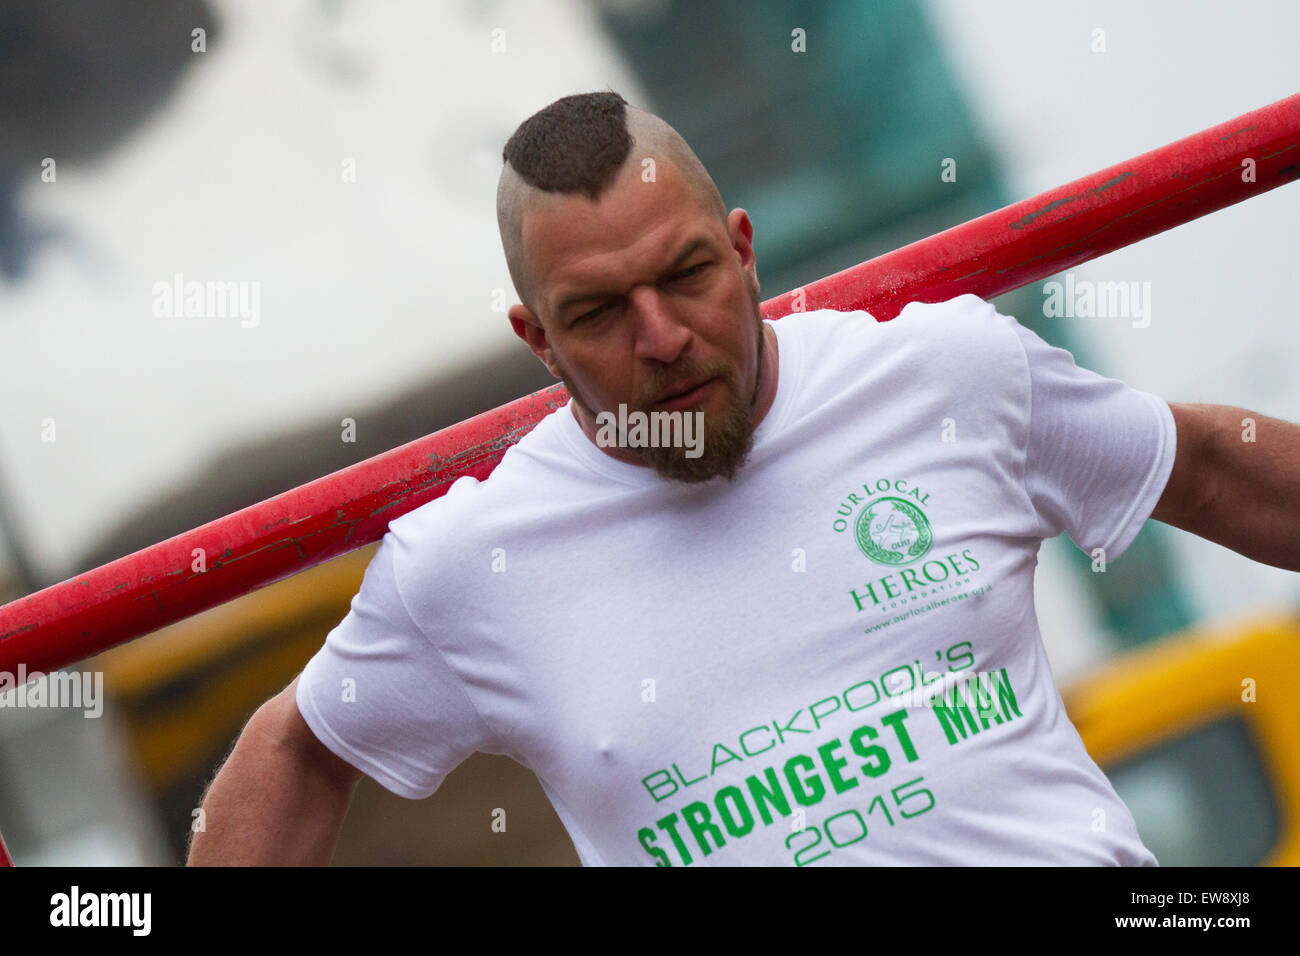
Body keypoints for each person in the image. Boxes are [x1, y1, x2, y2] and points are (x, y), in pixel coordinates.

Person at [187, 91, 1300, 867]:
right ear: (538, 339)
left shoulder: (941, 372)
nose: (663, 336)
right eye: (599, 312)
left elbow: (1201, 463)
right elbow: (297, 746)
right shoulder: (471, 564)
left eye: (686, 275)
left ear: (744, 248)